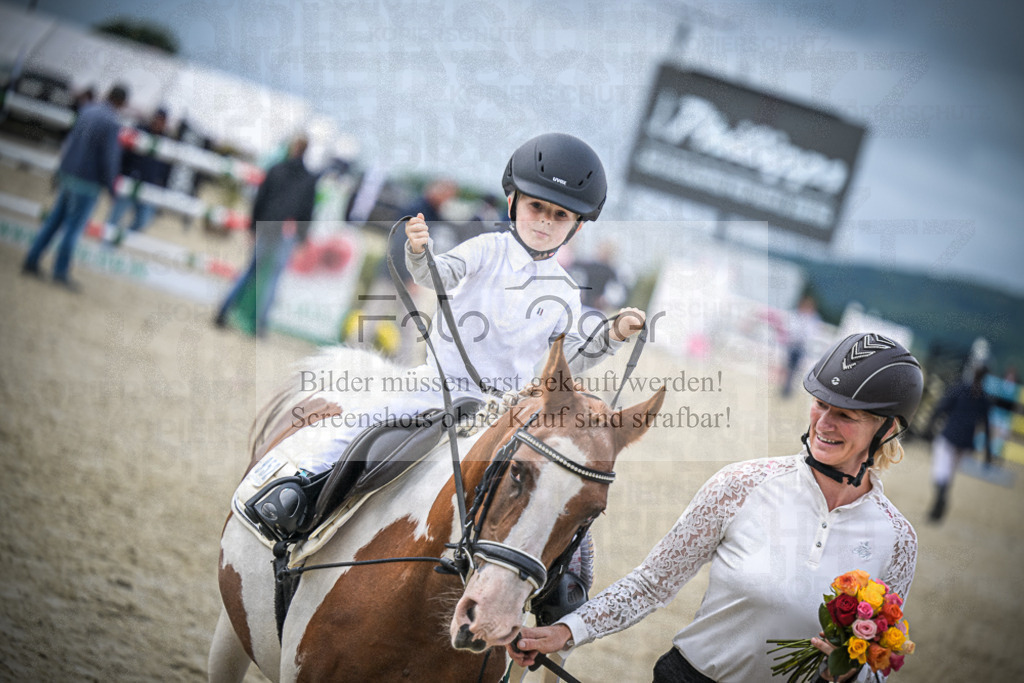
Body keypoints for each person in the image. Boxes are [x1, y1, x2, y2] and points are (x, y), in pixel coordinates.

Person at [252, 133, 647, 537]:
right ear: (513, 201)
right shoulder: (486, 249)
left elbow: (570, 360)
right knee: (373, 421)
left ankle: (560, 569)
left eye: (560, 215)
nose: (545, 221)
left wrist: (613, 335)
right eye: (536, 207)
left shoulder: (565, 292)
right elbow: (435, 275)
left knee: (560, 485)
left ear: (576, 226)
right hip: (442, 387)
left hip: (508, 411)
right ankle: (303, 486)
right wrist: (419, 253)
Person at [510, 333, 924, 683]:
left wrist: (851, 675)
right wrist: (567, 631)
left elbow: (878, 665)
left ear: (886, 429)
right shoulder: (742, 484)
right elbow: (652, 584)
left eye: (845, 415)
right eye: (820, 404)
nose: (824, 423)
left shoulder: (897, 539)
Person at [21, 84, 129, 291]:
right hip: (88, 181)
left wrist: (60, 171)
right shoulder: (111, 122)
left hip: (68, 173)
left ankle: (31, 259)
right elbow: (109, 158)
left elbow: (69, 143)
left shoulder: (87, 110)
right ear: (122, 102)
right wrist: (111, 187)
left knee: (54, 222)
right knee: (73, 229)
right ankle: (60, 272)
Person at [214, 134, 317, 337]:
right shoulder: (308, 179)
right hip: (287, 230)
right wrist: (301, 238)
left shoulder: (276, 169)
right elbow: (307, 211)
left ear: (293, 148)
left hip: (267, 226)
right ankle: (259, 325)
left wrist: (252, 227)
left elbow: (260, 199)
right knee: (273, 279)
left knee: (250, 271)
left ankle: (224, 310)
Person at [925, 364, 992, 522]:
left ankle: (940, 500)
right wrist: (988, 451)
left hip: (950, 436)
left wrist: (929, 427)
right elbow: (986, 425)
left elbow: (941, 407)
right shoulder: (984, 397)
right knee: (949, 473)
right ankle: (940, 502)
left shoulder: (960, 388)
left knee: (940, 470)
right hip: (966, 442)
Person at [103, 107, 172, 245]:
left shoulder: (166, 141)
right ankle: (105, 246)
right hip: (130, 181)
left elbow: (166, 168)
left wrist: (161, 185)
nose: (159, 123)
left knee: (143, 221)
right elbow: (123, 155)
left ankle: (117, 241)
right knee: (114, 218)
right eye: (158, 119)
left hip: (150, 187)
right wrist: (119, 176)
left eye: (162, 121)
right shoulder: (139, 131)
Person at [781, 294, 821, 398]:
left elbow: (811, 333)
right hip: (793, 344)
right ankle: (785, 387)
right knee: (788, 366)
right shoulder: (797, 315)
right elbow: (792, 328)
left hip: (801, 346)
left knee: (795, 369)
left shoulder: (812, 319)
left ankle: (788, 388)